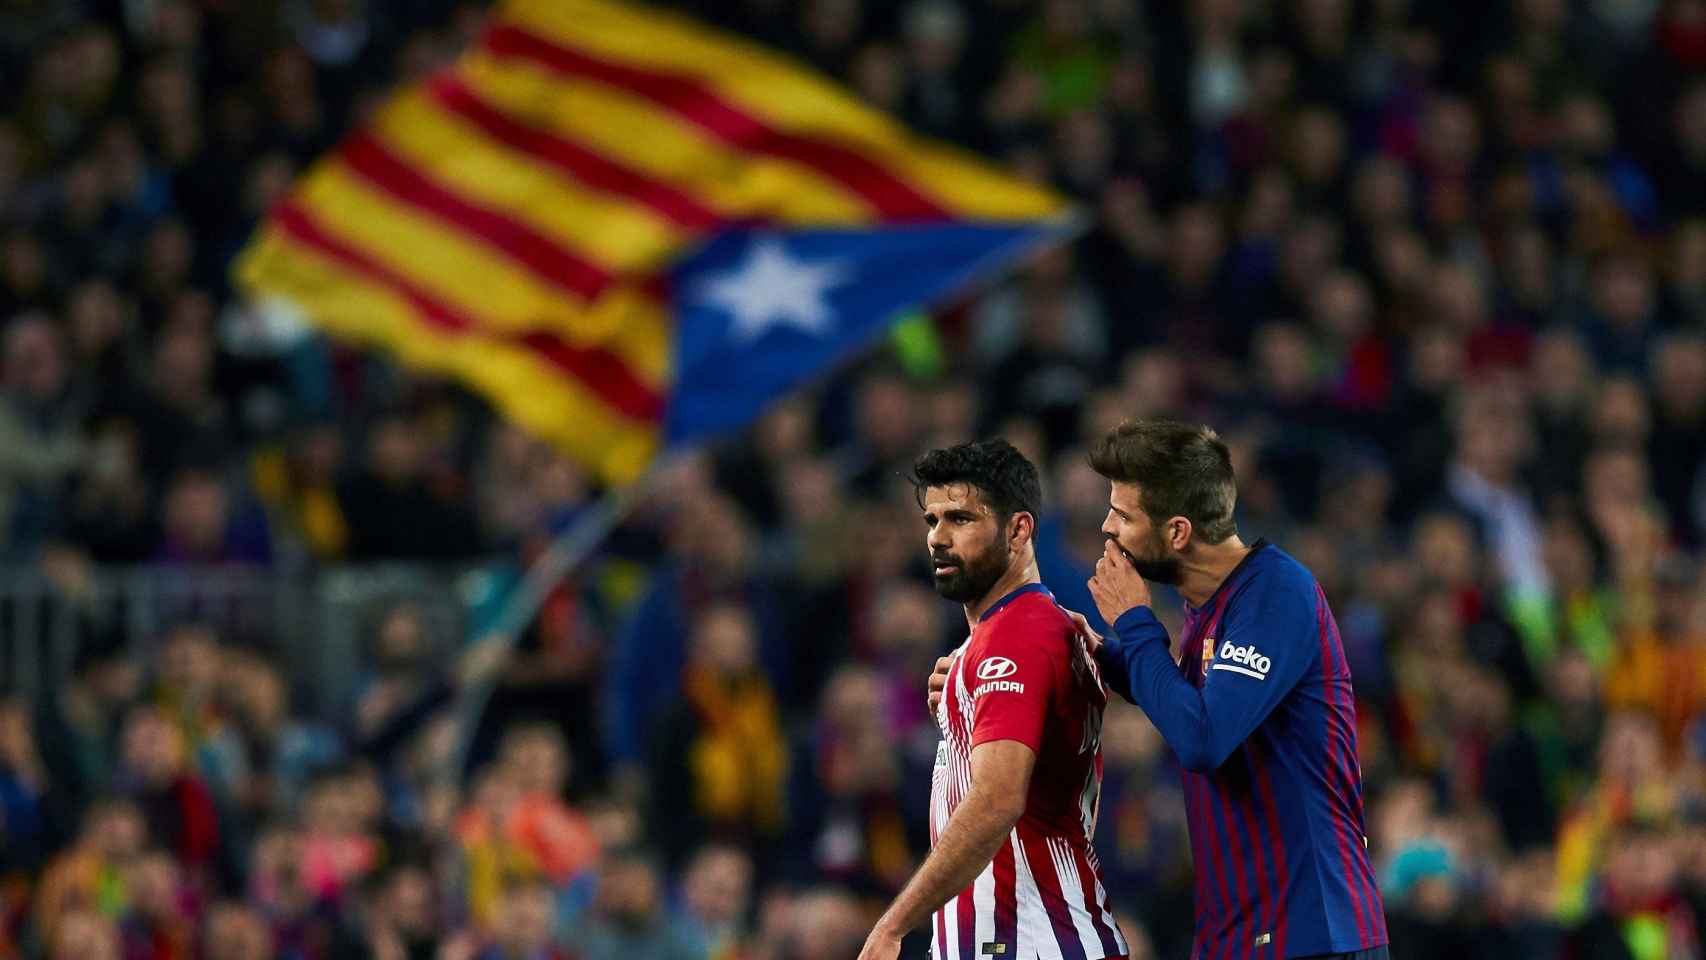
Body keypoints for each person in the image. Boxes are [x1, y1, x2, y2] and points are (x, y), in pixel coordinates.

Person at [1084, 419, 1388, 960]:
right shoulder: (1211, 607)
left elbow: (1202, 736)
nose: (1107, 527)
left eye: (1123, 516)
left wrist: (1134, 622)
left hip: (1314, 934)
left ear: (1177, 532)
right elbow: (1178, 698)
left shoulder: (1275, 592)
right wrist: (1077, 645)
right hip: (1241, 936)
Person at [859, 439, 1128, 960]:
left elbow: (998, 798)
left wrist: (894, 925)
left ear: (1018, 529)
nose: (938, 537)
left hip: (1033, 941)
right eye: (931, 520)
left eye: (960, 519)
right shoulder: (1003, 638)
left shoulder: (1019, 634)